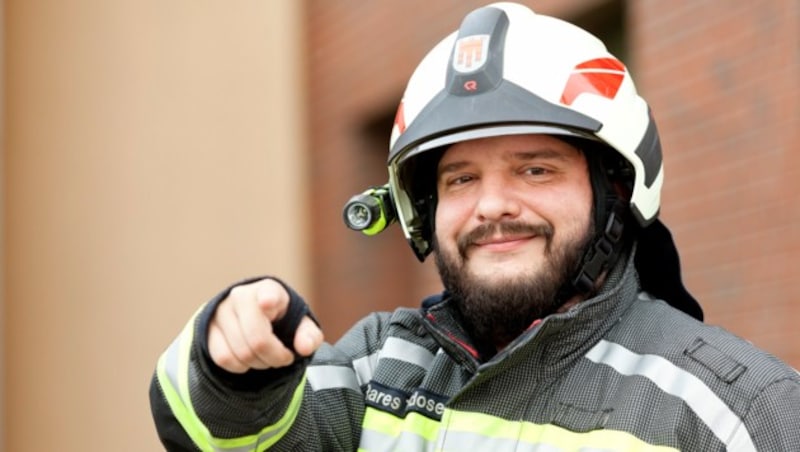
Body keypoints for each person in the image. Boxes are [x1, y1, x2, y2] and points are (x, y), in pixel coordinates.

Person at [149, 2, 800, 450]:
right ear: (425, 210)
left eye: (535, 170)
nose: (491, 206)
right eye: (461, 179)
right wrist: (232, 367)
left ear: (615, 193)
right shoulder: (379, 369)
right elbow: (223, 438)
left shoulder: (741, 410)